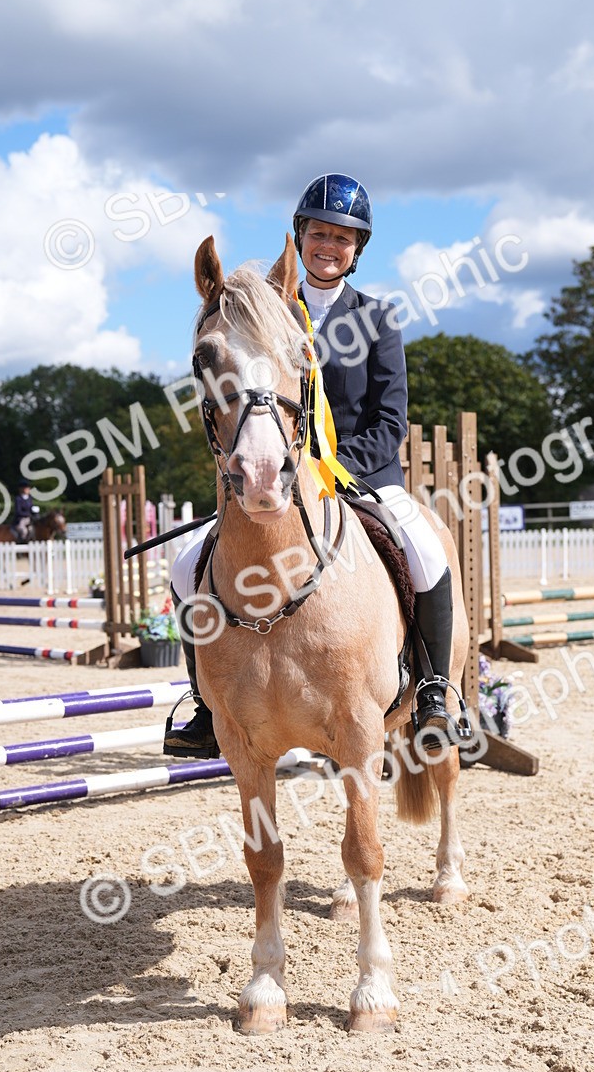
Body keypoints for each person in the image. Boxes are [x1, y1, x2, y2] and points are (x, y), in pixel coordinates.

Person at [165, 172, 469, 758]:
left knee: (426, 552)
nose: (329, 246)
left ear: (357, 251)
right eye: (320, 234)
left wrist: (331, 468)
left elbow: (390, 422)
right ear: (301, 238)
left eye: (343, 238)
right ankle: (207, 703)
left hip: (361, 481)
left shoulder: (378, 318)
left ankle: (433, 690)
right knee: (185, 568)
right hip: (273, 477)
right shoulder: (271, 309)